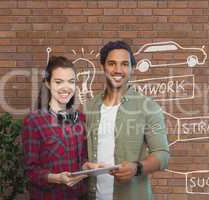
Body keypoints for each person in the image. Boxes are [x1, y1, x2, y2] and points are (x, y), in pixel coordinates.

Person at [85, 41, 169, 200]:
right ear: (102, 66)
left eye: (124, 64)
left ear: (132, 68)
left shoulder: (148, 107)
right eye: (111, 63)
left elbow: (163, 155)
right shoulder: (90, 107)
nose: (118, 70)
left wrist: (137, 168)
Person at [22, 56, 94, 200]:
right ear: (48, 83)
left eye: (71, 82)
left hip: (78, 195)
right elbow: (30, 171)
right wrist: (57, 178)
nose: (66, 87)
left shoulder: (80, 118)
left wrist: (88, 167)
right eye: (58, 82)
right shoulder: (34, 121)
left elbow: (82, 159)